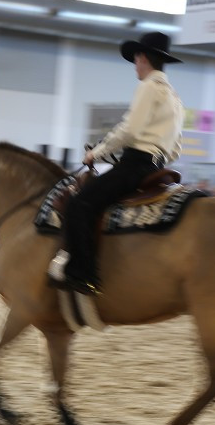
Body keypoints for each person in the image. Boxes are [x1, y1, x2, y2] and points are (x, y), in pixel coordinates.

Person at [52, 31, 185, 295]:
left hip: (135, 165)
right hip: (157, 166)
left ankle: (83, 274)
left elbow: (129, 130)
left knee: (80, 205)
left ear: (143, 57)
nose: (135, 65)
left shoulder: (148, 86)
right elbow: (176, 148)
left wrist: (95, 153)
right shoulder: (175, 99)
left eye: (136, 59)